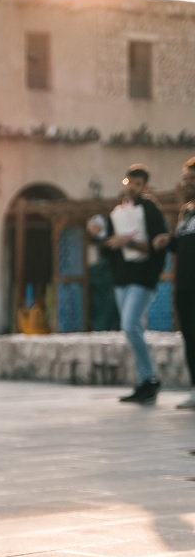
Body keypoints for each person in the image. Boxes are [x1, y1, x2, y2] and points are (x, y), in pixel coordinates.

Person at [88, 165, 167, 404]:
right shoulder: (117, 212)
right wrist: (97, 236)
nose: (132, 187)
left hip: (142, 278)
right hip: (121, 278)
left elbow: (155, 246)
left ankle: (151, 378)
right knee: (133, 329)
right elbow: (109, 247)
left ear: (145, 186)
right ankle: (145, 382)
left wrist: (128, 243)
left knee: (130, 324)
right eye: (129, 182)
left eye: (138, 184)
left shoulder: (151, 209)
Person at [153, 157, 195, 409]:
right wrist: (166, 241)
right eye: (186, 179)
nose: (187, 183)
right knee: (191, 338)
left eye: (192, 179)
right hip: (185, 286)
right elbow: (181, 247)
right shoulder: (186, 213)